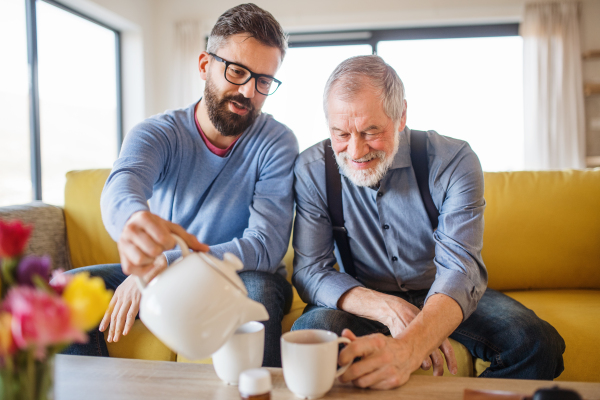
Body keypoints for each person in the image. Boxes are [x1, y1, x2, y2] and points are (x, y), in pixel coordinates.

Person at [291, 55, 565, 388]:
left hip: (441, 291)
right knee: (309, 336)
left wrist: (413, 342)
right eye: (341, 133)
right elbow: (310, 271)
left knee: (537, 344)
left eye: (371, 131)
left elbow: (460, 270)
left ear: (401, 115)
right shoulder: (312, 169)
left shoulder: (453, 160)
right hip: (363, 297)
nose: (356, 150)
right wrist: (386, 307)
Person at [62, 3, 298, 368]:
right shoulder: (158, 133)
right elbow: (123, 184)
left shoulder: (277, 142)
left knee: (261, 290)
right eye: (237, 72)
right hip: (160, 272)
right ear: (205, 65)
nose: (249, 92)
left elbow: (264, 248)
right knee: (65, 293)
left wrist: (166, 263)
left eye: (263, 81)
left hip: (237, 278)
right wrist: (131, 224)